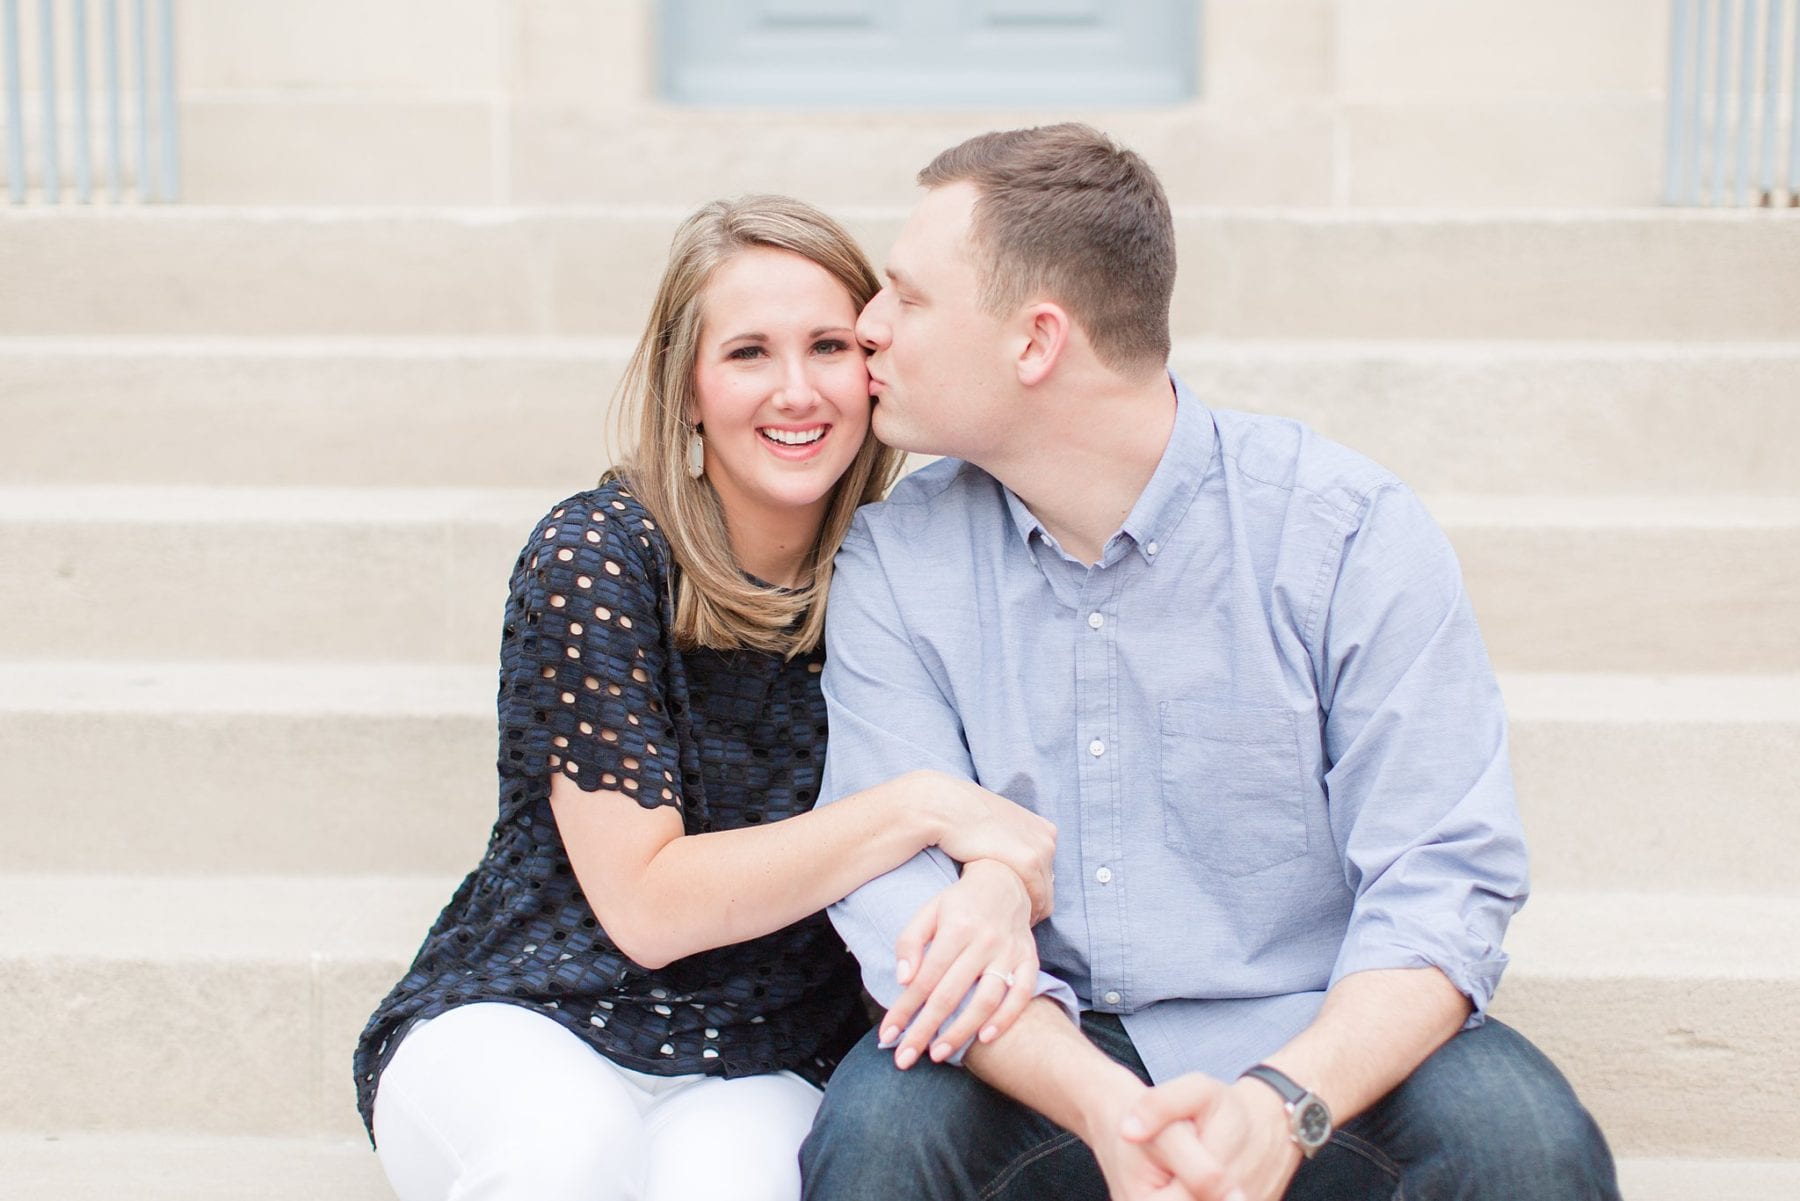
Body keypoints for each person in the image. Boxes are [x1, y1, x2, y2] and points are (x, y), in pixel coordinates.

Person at [799, 126, 1621, 1201]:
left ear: (1036, 341)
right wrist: (1104, 1108)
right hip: (1041, 1049)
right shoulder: (898, 560)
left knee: (1528, 1147)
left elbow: (1443, 883)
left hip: (1321, 1040)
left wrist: (1284, 1103)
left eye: (906, 298)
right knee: (877, 1142)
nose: (866, 327)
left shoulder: (1345, 533)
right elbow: (897, 900)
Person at [352, 194, 1057, 1201]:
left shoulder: (902, 580)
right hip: (528, 1012)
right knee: (571, 1153)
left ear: (874, 367)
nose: (797, 390)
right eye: (747, 355)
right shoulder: (600, 554)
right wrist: (921, 806)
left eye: (827, 346)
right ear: (687, 387)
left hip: (761, 1057)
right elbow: (647, 904)